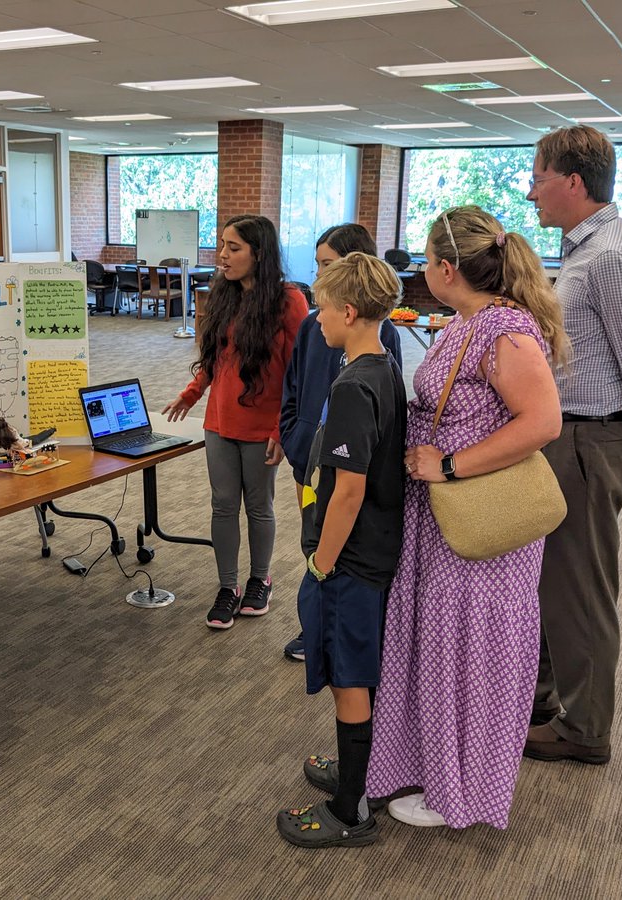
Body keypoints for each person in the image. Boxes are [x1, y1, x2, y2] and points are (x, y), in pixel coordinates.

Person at [364, 205, 567, 830]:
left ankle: (461, 790)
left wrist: (450, 464)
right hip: (446, 519)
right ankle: (432, 763)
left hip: (478, 518)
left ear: (449, 268)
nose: (423, 271)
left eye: (427, 261)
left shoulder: (504, 331)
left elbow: (543, 423)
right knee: (440, 644)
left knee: (473, 651)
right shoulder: (468, 321)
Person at [523, 124, 622, 764]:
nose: (532, 192)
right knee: (554, 582)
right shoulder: (584, 248)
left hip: (591, 441)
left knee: (580, 589)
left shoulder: (608, 253)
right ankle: (544, 701)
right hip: (574, 436)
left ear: (573, 182)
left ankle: (586, 731)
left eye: (539, 178)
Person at [275, 252, 406, 848]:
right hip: (373, 551)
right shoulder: (381, 365)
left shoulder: (354, 385)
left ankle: (350, 810)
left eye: (323, 308)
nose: (316, 319)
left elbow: (347, 492)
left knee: (349, 678)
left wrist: (321, 563)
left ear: (348, 311)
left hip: (348, 560)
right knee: (357, 672)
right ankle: (359, 768)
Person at [163, 215, 308, 629]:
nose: (222, 256)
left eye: (233, 248)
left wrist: (284, 428)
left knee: (259, 506)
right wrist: (191, 394)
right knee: (223, 505)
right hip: (220, 421)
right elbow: (214, 358)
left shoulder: (289, 301)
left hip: (264, 425)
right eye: (221, 246)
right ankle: (228, 587)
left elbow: (298, 371)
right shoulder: (223, 295)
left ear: (258, 254)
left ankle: (260, 579)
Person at [279, 224, 403, 662]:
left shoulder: (372, 362)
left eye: (326, 269)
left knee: (329, 561)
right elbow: (294, 381)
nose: (316, 285)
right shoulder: (318, 329)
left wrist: (320, 568)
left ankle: (323, 614)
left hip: (348, 495)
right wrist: (294, 435)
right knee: (315, 530)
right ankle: (317, 624)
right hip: (310, 456)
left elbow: (350, 490)